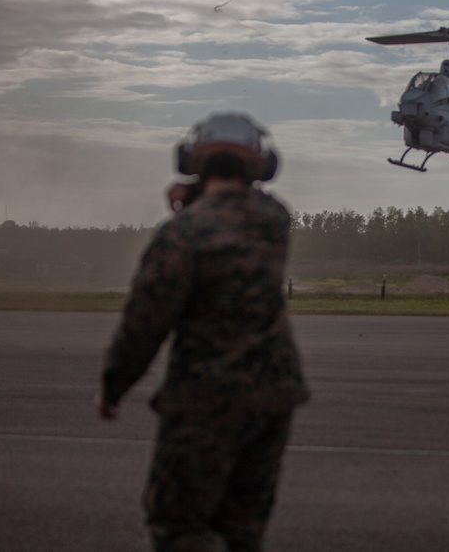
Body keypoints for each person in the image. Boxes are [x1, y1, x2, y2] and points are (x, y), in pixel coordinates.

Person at [96, 112, 309, 552]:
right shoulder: (275, 222)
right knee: (243, 531)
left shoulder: (181, 234)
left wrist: (113, 385)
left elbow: (145, 321)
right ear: (261, 165)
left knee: (177, 527)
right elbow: (245, 208)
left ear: (191, 161)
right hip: (272, 399)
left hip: (205, 401)